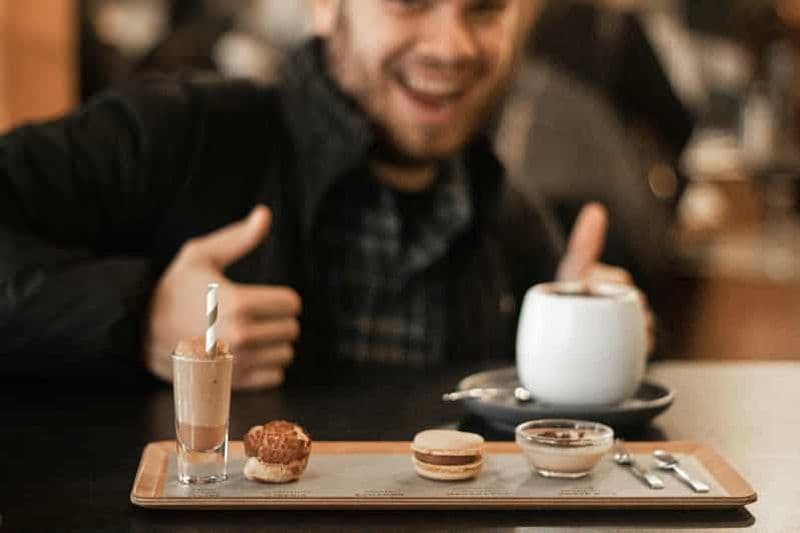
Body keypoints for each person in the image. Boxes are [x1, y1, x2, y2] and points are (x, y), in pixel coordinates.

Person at [0, 0, 648, 390]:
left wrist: (593, 342)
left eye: (484, 9)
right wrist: (138, 318)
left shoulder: (517, 228)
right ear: (324, 5)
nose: (451, 47)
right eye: (409, 2)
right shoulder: (176, 135)